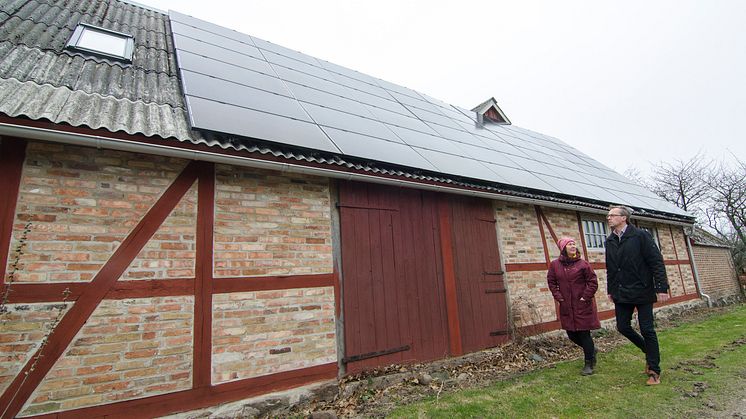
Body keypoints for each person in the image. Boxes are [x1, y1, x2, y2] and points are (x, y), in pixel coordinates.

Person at [605, 205, 670, 385]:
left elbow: (656, 262)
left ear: (623, 218)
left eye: (612, 215)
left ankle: (654, 370)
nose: (608, 218)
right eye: (608, 215)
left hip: (642, 290)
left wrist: (661, 287)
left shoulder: (641, 236)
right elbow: (611, 268)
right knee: (623, 327)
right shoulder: (609, 240)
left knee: (647, 329)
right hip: (621, 291)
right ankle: (649, 353)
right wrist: (610, 289)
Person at [547, 236, 601, 375]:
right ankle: (591, 350)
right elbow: (552, 283)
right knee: (571, 334)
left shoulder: (583, 264)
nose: (573, 246)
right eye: (569, 244)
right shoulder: (555, 265)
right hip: (566, 306)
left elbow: (592, 282)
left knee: (584, 334)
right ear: (563, 248)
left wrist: (585, 297)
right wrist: (559, 298)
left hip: (582, 304)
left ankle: (589, 364)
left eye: (574, 244)